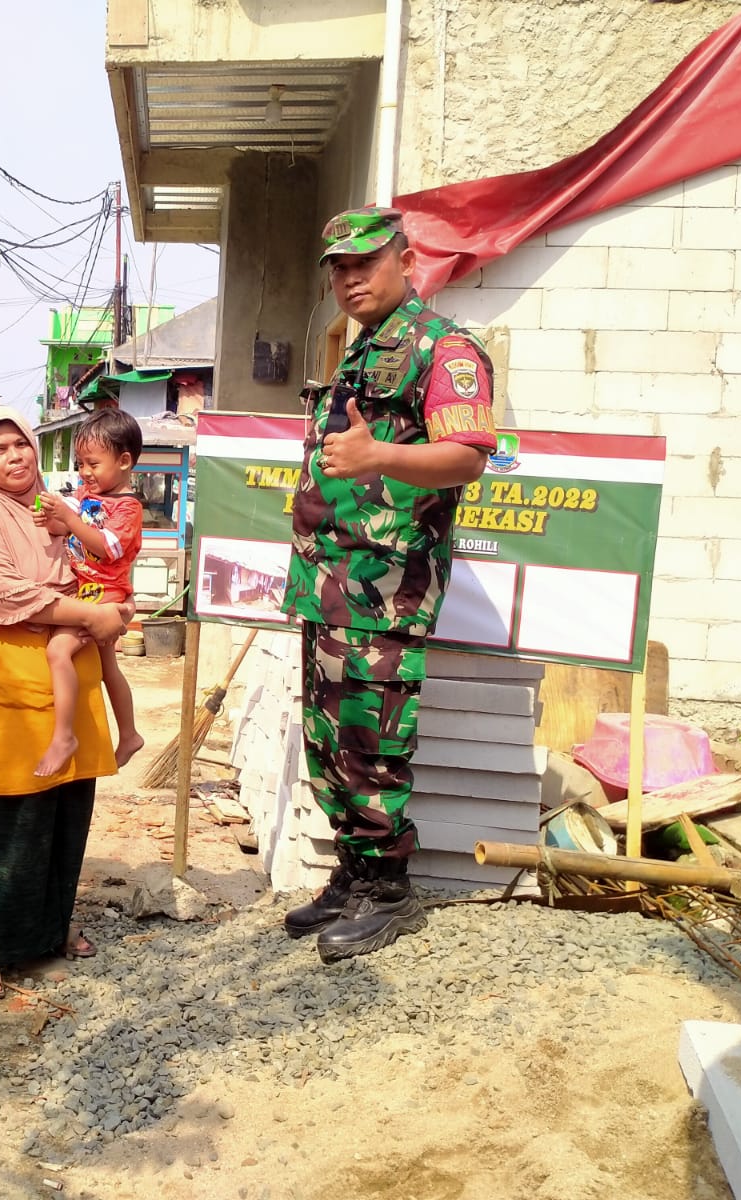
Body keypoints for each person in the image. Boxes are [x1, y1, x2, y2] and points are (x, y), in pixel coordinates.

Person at [280, 206, 497, 962]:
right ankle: (352, 874)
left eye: (363, 263)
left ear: (407, 261)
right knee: (328, 739)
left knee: (371, 739)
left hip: (383, 587)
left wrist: (377, 458)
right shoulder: (362, 348)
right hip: (328, 582)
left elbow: (468, 455)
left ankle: (388, 890)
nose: (348, 279)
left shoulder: (444, 346)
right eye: (337, 268)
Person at [0, 408, 131, 1000]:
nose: (16, 457)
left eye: (21, 445)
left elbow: (98, 563)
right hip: (7, 669)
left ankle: (50, 929)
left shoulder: (55, 507)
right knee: (8, 814)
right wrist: (91, 614)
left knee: (66, 810)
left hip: (66, 667)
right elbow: (8, 593)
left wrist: (109, 608)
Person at [32, 408, 146, 777]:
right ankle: (128, 734)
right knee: (108, 666)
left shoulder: (127, 508)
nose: (84, 472)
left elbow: (104, 546)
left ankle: (64, 736)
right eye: (80, 463)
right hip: (89, 590)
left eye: (92, 463)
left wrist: (69, 521)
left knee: (58, 650)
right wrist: (52, 518)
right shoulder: (85, 495)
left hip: (105, 593)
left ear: (124, 461)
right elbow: (66, 528)